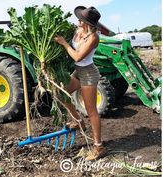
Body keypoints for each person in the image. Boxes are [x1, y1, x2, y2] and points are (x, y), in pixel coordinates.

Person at [54, 6, 106, 161]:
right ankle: (78, 122)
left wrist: (64, 43)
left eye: (80, 19)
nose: (77, 21)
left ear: (86, 22)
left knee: (91, 110)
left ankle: (99, 147)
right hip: (78, 71)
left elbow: (77, 57)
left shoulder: (93, 38)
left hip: (89, 74)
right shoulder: (78, 31)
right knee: (60, 93)